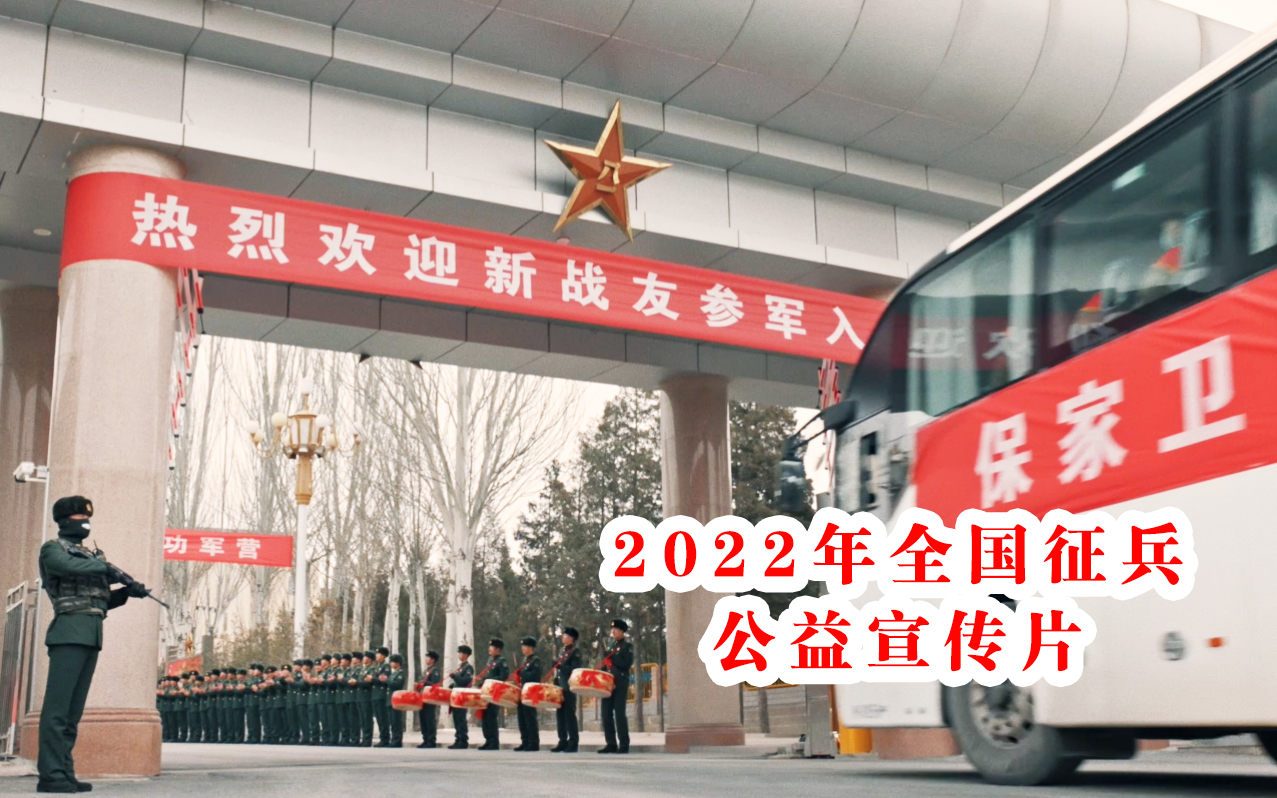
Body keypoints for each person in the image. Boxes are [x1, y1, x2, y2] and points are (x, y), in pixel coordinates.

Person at [36, 495, 150, 793]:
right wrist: (106, 568)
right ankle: (50, 775)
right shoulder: (54, 549)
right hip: (68, 632)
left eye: (87, 518)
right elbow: (68, 568)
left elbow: (99, 600)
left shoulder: (90, 557)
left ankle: (64, 771)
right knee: (58, 710)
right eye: (79, 518)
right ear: (64, 521)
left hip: (90, 633)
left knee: (72, 713)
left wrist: (127, 592)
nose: (85, 523)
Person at [598, 619, 634, 755]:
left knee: (619, 714)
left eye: (616, 629)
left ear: (622, 631)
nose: (613, 632)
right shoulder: (611, 646)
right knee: (606, 713)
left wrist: (612, 658)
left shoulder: (627, 646)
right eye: (612, 629)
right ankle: (611, 743)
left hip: (620, 681)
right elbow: (606, 665)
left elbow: (626, 664)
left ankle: (624, 744)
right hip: (607, 682)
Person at [549, 627, 582, 753]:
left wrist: (560, 666)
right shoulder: (562, 651)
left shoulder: (575, 652)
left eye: (565, 635)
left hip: (569, 687)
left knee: (569, 715)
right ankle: (562, 741)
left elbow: (574, 669)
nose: (563, 637)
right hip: (560, 686)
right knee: (560, 715)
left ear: (571, 638)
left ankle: (573, 742)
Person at [478, 639, 509, 751]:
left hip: (494, 692)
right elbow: (487, 675)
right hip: (487, 691)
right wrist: (482, 681)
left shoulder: (502, 661)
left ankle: (494, 741)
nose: (489, 649)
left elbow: (504, 676)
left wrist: (490, 680)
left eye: (492, 647)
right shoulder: (490, 660)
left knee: (491, 716)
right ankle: (488, 740)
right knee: (485, 717)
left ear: (498, 649)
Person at [513, 637, 541, 752]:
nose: (523, 649)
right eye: (523, 646)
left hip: (530, 692)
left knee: (530, 717)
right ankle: (525, 741)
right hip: (522, 691)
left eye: (525, 646)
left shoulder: (535, 661)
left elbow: (535, 676)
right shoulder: (524, 660)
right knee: (522, 718)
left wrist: (522, 673)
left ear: (531, 647)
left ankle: (533, 742)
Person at [447, 645, 474, 749]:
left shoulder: (468, 668)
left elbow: (466, 681)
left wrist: (455, 676)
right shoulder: (461, 667)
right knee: (456, 718)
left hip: (462, 696)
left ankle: (463, 740)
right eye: (459, 653)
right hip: (456, 696)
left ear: (466, 655)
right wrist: (452, 685)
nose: (459, 655)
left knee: (461, 718)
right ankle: (458, 739)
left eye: (461, 653)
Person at [416, 651, 441, 749]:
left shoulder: (434, 671)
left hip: (430, 698)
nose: (426, 659)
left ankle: (431, 740)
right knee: (423, 719)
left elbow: (435, 684)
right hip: (422, 697)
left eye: (428, 658)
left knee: (429, 719)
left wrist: (425, 683)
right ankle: (425, 739)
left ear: (433, 660)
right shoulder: (426, 670)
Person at [386, 653, 407, 747]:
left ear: (398, 663)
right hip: (391, 700)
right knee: (392, 721)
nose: (391, 664)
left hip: (397, 700)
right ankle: (394, 739)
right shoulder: (393, 673)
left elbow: (397, 684)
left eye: (393, 662)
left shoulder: (400, 673)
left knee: (396, 721)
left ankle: (397, 740)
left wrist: (387, 680)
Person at [372, 647, 391, 746]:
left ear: (383, 656)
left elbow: (382, 679)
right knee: (379, 718)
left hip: (381, 694)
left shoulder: (386, 666)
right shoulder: (378, 666)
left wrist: (372, 679)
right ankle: (382, 738)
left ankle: (385, 739)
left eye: (378, 654)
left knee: (383, 718)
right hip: (375, 695)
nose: (376, 656)